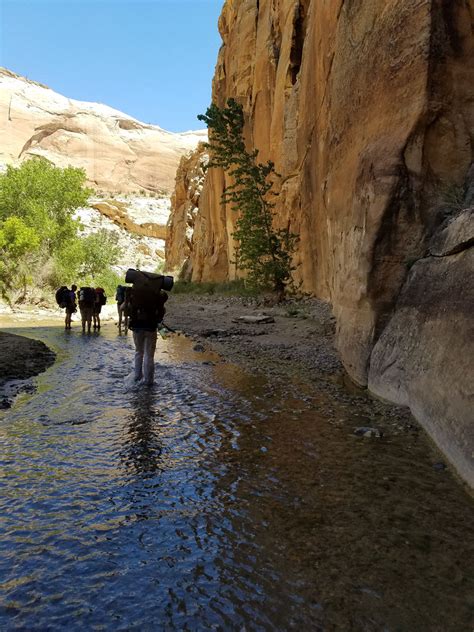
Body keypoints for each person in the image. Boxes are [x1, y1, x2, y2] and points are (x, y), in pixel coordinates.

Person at [128, 287, 168, 385]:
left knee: (138, 352)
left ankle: (137, 377)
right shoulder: (157, 301)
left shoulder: (136, 298)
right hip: (151, 329)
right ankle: (149, 381)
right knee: (149, 356)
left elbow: (124, 309)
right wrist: (163, 333)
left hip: (137, 328)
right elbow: (160, 317)